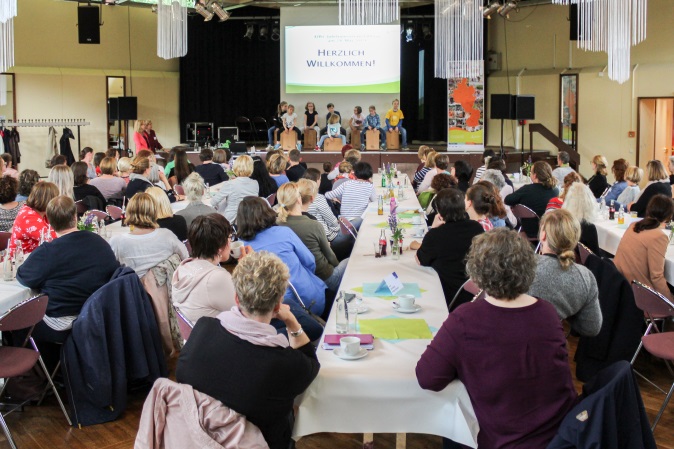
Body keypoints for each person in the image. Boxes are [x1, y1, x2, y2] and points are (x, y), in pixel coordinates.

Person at [416, 228, 577, 449]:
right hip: (560, 436)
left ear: (477, 272)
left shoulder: (466, 318)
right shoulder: (547, 313)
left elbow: (427, 378)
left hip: (503, 439)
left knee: (454, 422)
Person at [176, 251, 320, 449]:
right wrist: (291, 321)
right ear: (278, 304)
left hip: (198, 437)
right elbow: (312, 365)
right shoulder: (285, 363)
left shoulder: (203, 328)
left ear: (236, 298)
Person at [16, 195, 119, 343]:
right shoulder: (100, 243)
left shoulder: (48, 252)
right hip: (98, 316)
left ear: (49, 223)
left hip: (62, 324)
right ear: (75, 217)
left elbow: (23, 277)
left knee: (16, 321)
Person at [236, 196, 327, 319]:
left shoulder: (242, 247)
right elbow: (309, 261)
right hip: (311, 296)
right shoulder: (285, 232)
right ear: (266, 211)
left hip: (276, 310)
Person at [529, 209, 602, 337]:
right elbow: (591, 327)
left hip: (507, 340)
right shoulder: (585, 276)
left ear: (543, 235)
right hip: (550, 346)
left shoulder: (522, 266)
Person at [173, 214, 251, 323]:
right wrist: (248, 269)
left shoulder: (183, 267)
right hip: (220, 336)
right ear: (219, 247)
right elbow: (248, 312)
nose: (231, 242)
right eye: (230, 237)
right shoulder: (217, 278)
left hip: (197, 336)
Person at [416, 188, 484, 308]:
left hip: (444, 293)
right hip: (474, 291)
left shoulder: (436, 235)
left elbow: (420, 260)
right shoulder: (477, 228)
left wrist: (433, 228)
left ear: (439, 213)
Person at [277, 183, 348, 292]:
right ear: (299, 200)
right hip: (324, 277)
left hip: (297, 281)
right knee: (351, 261)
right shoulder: (314, 225)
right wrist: (337, 268)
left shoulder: (276, 225)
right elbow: (330, 256)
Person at [109, 192, 188, 278]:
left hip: (132, 288)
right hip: (164, 288)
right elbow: (185, 257)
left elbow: (109, 270)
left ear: (129, 211)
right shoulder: (166, 235)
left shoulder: (117, 241)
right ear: (154, 212)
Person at [615, 194, 674, 301]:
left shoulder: (634, 225)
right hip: (640, 294)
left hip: (621, 285)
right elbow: (656, 277)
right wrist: (671, 301)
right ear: (668, 216)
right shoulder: (658, 236)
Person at [299, 176, 351, 261]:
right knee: (353, 228)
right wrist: (338, 229)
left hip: (317, 243)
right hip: (329, 238)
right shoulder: (319, 199)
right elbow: (332, 222)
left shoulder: (294, 208)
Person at [505, 161, 558, 237]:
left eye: (531, 172)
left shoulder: (527, 189)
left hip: (530, 229)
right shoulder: (555, 191)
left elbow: (507, 200)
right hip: (550, 228)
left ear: (535, 175)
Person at [8, 182, 59, 255]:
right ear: (48, 200)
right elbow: (53, 239)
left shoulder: (43, 213)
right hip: (21, 262)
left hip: (36, 257)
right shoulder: (28, 216)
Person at [211, 155, 259, 223]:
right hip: (251, 219)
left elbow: (213, 202)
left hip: (233, 220)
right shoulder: (255, 183)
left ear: (235, 167)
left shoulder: (230, 184)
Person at [562, 182, 601, 255]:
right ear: (589, 202)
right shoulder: (589, 227)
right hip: (583, 264)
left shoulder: (563, 222)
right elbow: (595, 255)